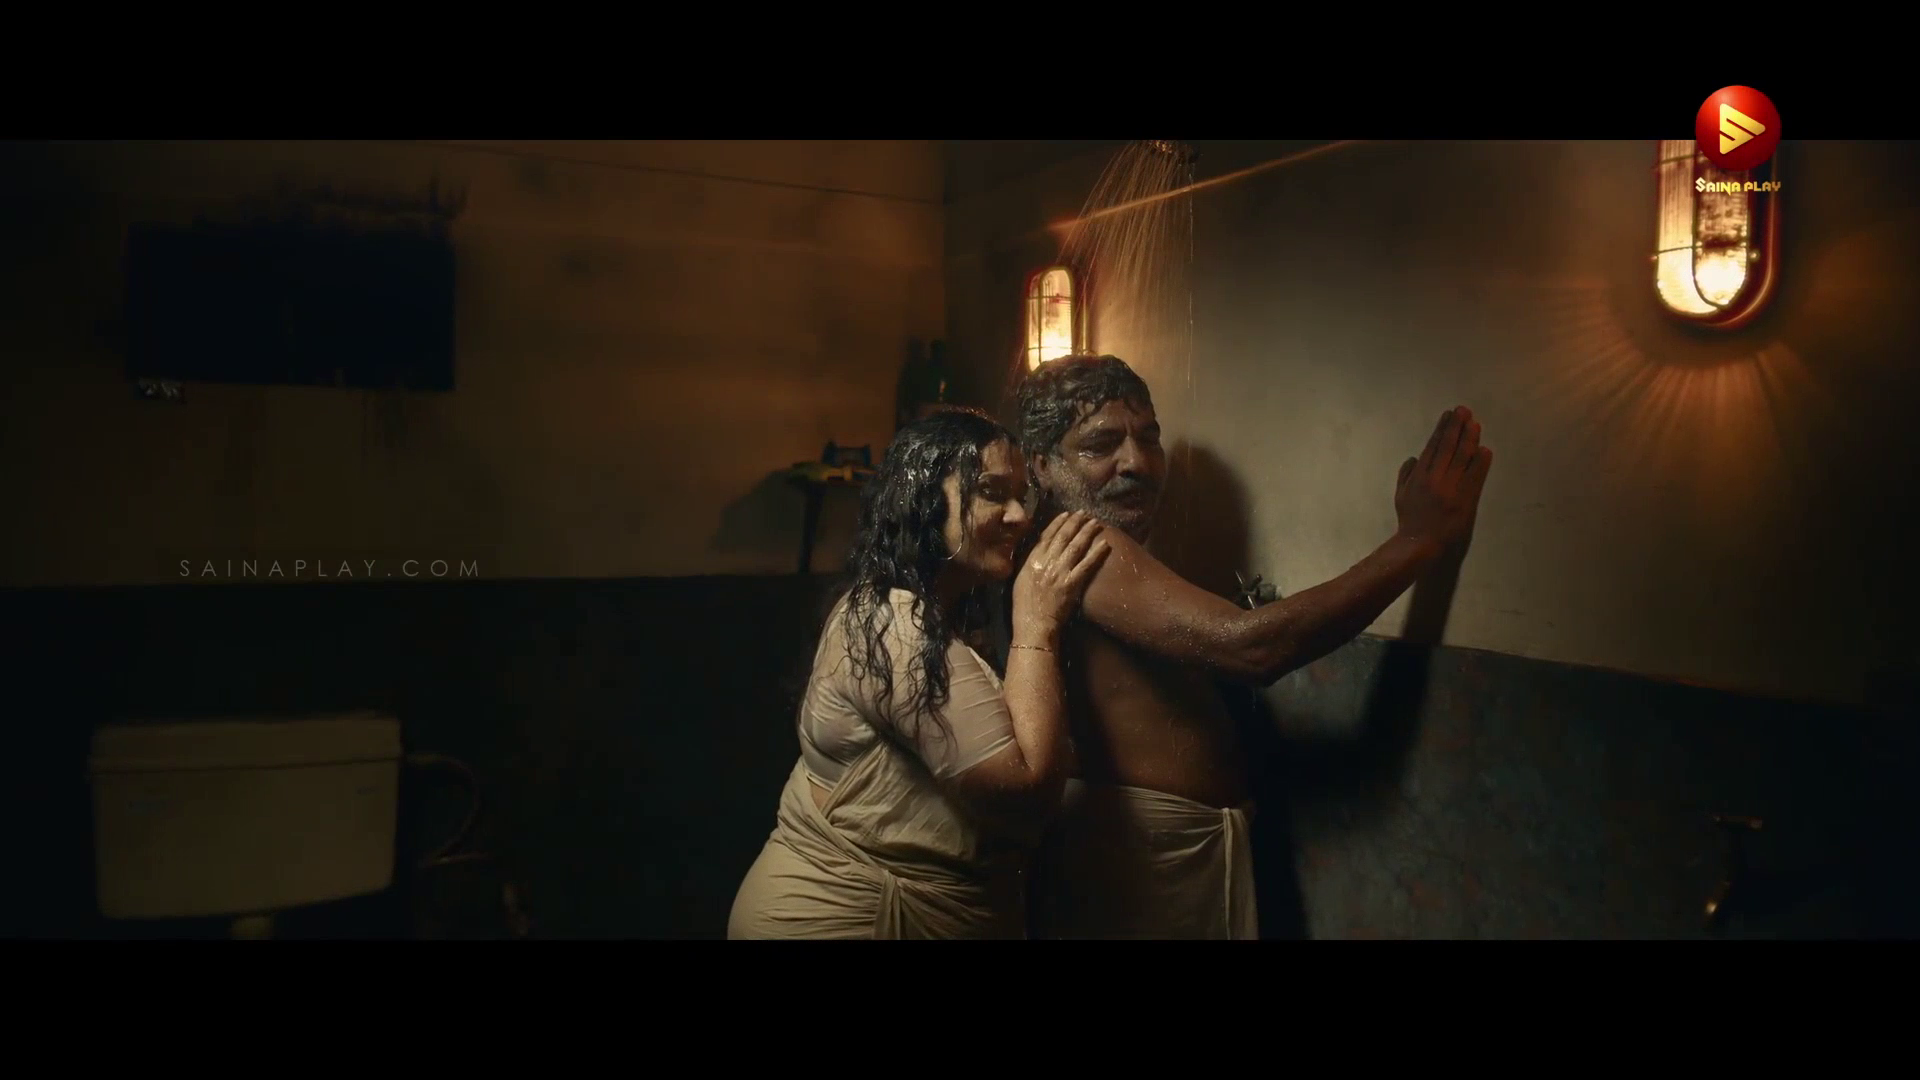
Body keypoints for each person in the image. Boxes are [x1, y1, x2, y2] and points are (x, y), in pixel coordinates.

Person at [1014, 354, 1492, 939]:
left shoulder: (1063, 550)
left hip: (1154, 855)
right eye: (1100, 444)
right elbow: (1253, 649)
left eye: (1149, 437)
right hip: (1141, 864)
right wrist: (1417, 541)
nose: (1137, 462)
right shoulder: (1084, 546)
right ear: (1041, 465)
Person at [728, 408, 1111, 939]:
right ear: (923, 499)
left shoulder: (935, 610)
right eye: (991, 492)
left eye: (1021, 496)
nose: (1020, 516)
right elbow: (1023, 799)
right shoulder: (890, 620)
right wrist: (1037, 622)